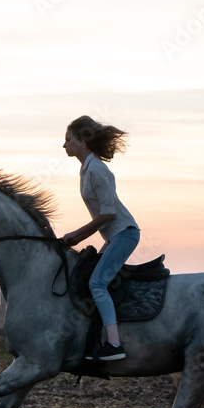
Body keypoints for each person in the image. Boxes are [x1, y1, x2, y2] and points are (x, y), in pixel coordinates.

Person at [60, 115, 140, 361]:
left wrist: (78, 234)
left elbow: (108, 213)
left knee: (97, 283)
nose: (64, 145)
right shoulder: (86, 169)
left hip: (124, 233)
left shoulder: (96, 169)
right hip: (113, 235)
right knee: (88, 279)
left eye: (68, 140)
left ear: (82, 141)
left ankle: (115, 345)